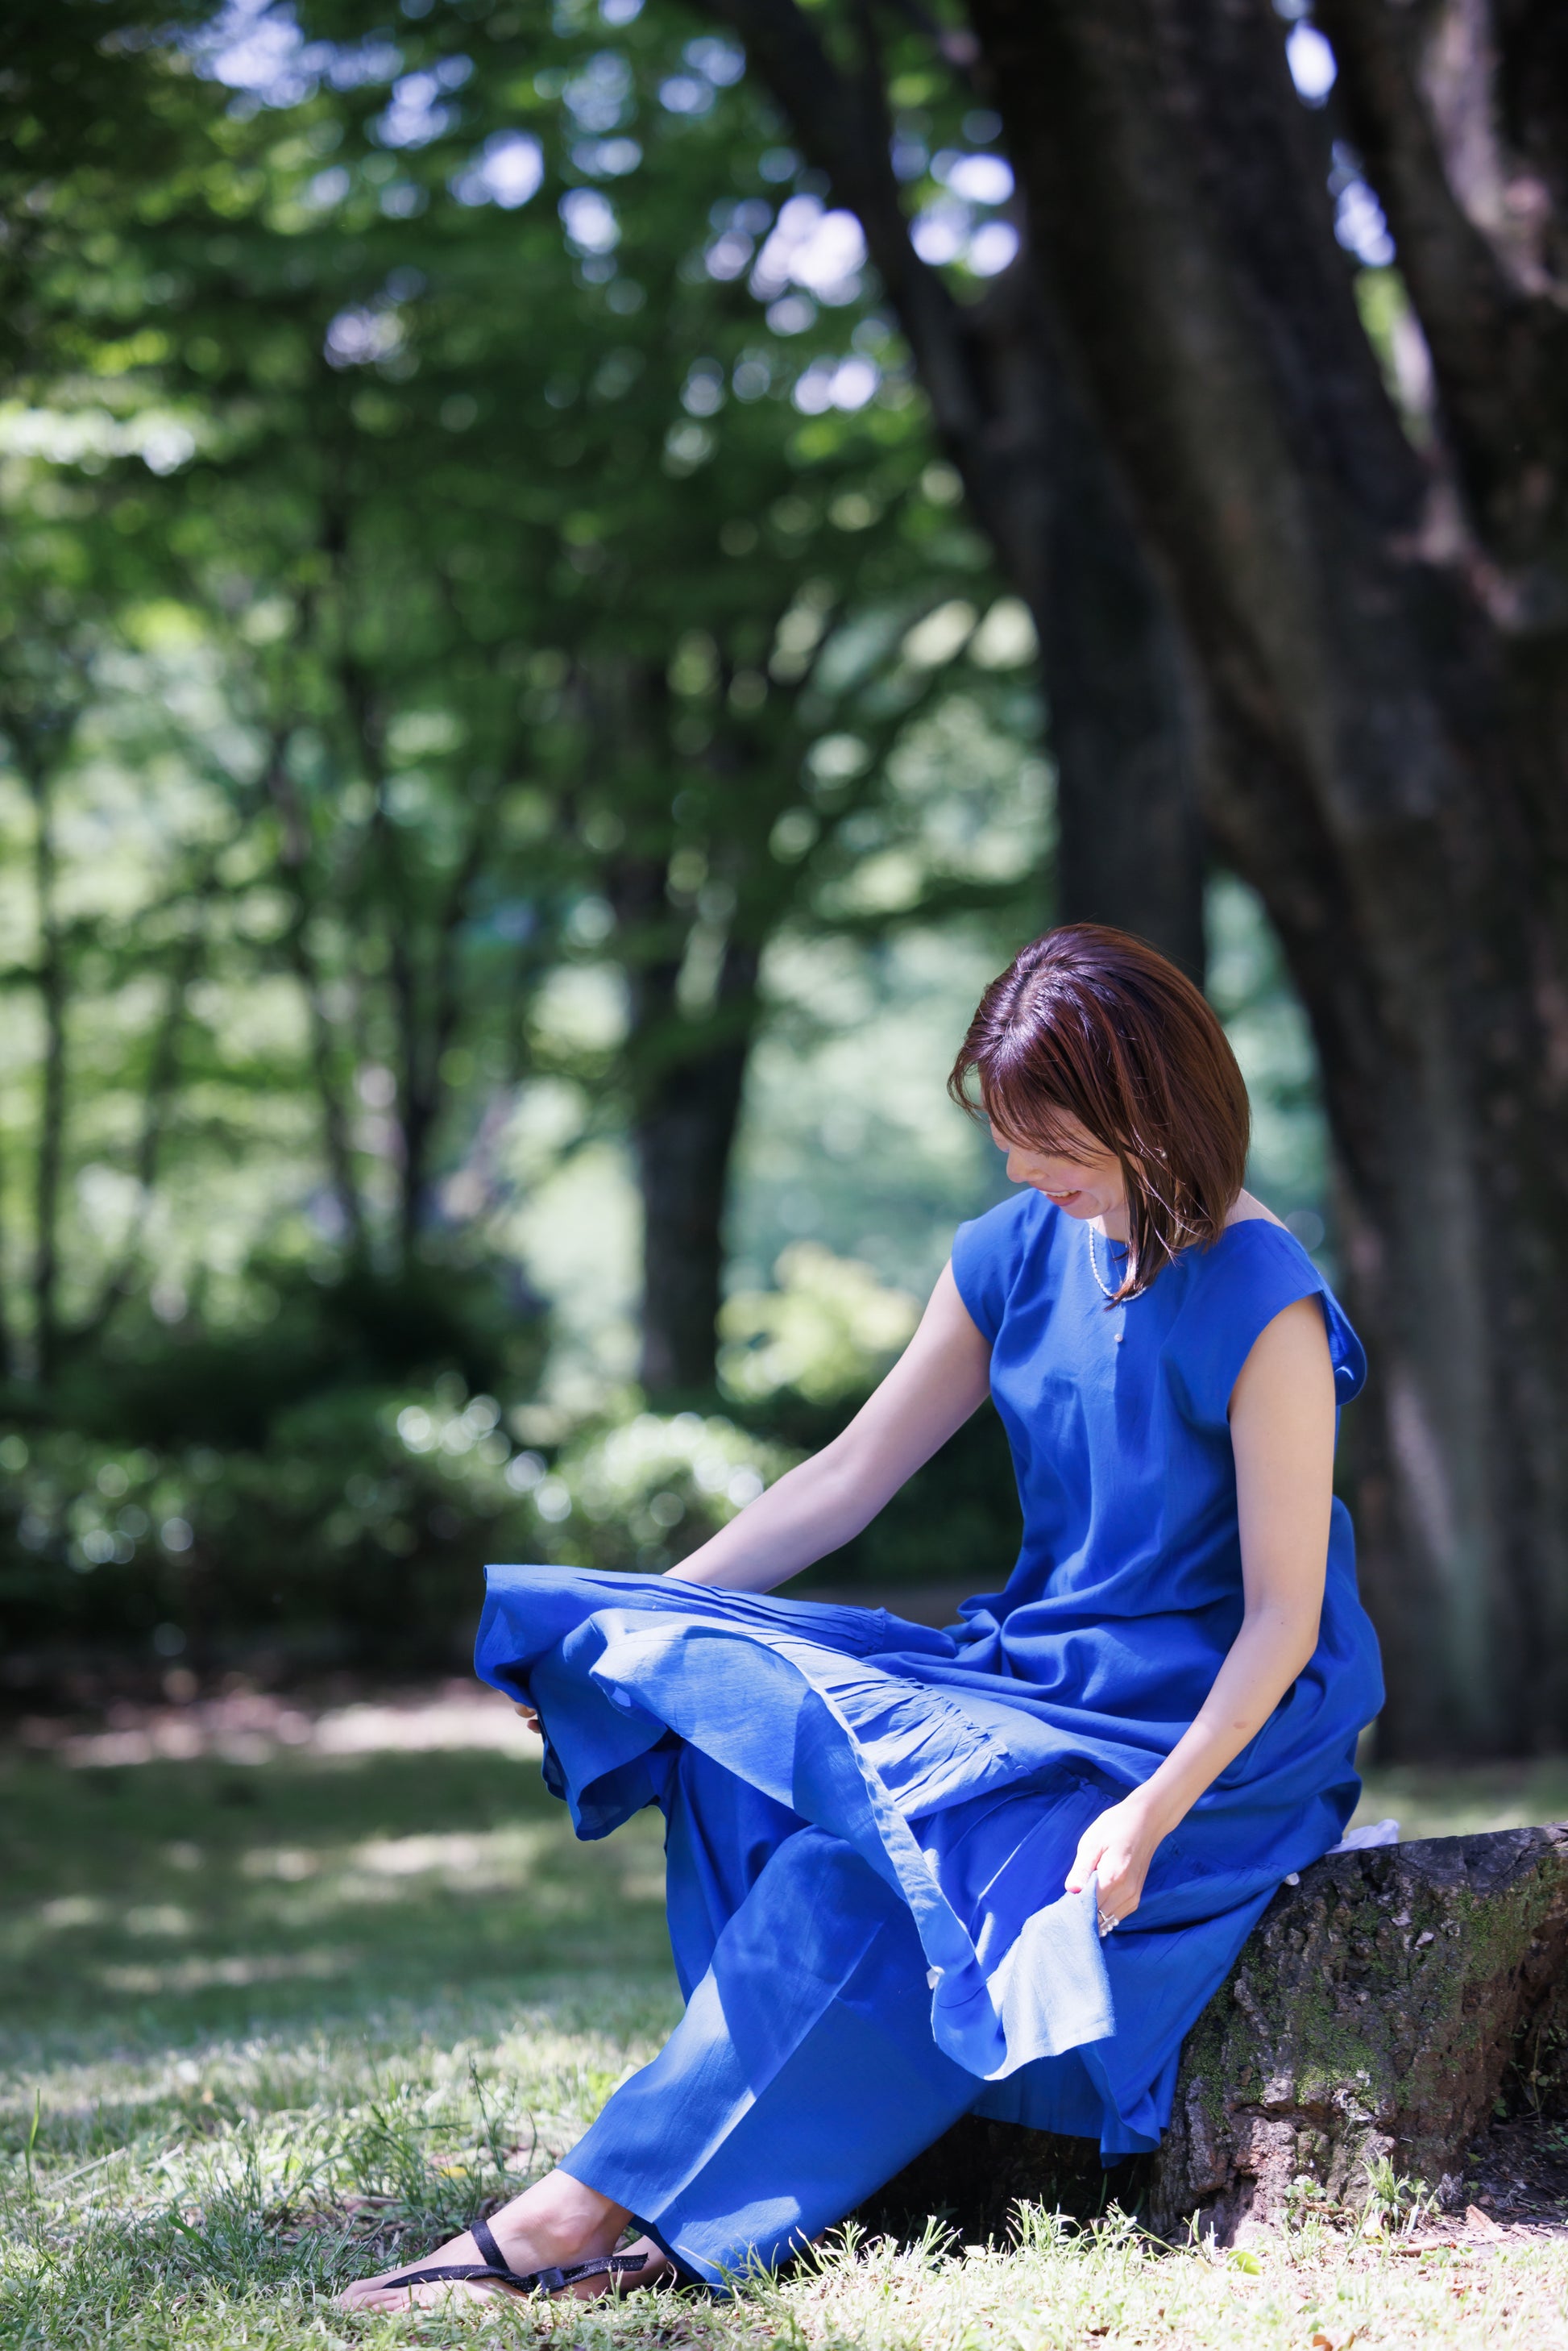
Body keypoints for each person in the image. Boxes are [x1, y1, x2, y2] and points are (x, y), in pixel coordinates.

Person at [342, 924, 1382, 2312]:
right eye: (1008, 1136)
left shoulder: (1268, 1306)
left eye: (1050, 1138)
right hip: (1035, 1676)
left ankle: (575, 2215)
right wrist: (634, 1629)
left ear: (1154, 1112)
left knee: (888, 1867)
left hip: (1204, 1733)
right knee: (727, 1727)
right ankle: (751, 2146)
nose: (1019, 1168)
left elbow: (1279, 1620)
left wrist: (1147, 1815)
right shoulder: (1017, 1249)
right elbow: (844, 1480)